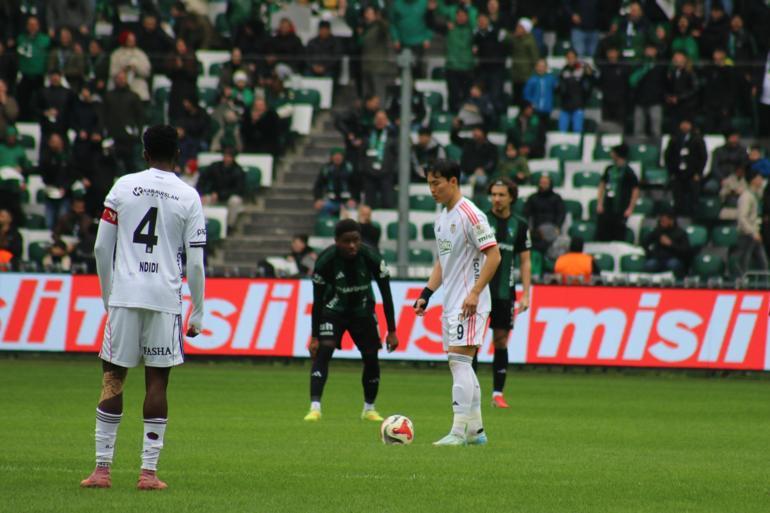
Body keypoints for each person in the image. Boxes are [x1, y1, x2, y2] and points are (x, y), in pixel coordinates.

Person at [80, 125, 206, 491]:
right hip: (165, 300)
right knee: (157, 382)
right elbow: (195, 264)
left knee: (113, 377)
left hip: (125, 295)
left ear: (145, 152)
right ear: (178, 154)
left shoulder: (123, 186)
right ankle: (148, 474)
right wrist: (198, 311)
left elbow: (102, 249)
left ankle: (102, 471)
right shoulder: (188, 195)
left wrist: (109, 295)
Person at [414, 159, 501, 446]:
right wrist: (427, 293)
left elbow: (494, 255)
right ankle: (476, 432)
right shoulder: (442, 218)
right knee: (461, 364)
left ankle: (457, 432)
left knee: (459, 362)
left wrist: (475, 292)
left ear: (453, 181)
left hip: (470, 302)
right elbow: (443, 261)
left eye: (436, 183)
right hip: (451, 303)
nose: (432, 189)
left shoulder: (471, 215)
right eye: (429, 184)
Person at [305, 219, 399, 422]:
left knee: (371, 356)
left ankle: (369, 409)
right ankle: (315, 408)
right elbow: (318, 301)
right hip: (333, 310)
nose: (352, 245)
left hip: (363, 311)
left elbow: (387, 294)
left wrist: (392, 330)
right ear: (336, 241)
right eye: (346, 241)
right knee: (324, 349)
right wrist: (314, 336)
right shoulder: (325, 261)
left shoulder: (371, 256)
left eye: (356, 240)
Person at [478, 178, 530, 408]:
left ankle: (497, 393)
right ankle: (472, 391)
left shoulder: (519, 224)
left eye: (501, 195)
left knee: (500, 340)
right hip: (478, 292)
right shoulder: (480, 220)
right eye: (494, 194)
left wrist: (526, 293)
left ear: (511, 197)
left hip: (504, 292)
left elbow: (525, 261)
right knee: (473, 342)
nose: (496, 199)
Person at [596, 144, 639, 242]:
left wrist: (630, 208)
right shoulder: (609, 169)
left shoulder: (628, 171)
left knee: (618, 233)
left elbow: (635, 190)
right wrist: (599, 203)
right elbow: (602, 185)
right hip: (608, 205)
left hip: (621, 207)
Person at [664, 118, 706, 217]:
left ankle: (693, 217)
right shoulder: (674, 138)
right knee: (678, 198)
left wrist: (698, 173)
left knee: (693, 198)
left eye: (687, 123)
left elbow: (703, 157)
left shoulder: (697, 139)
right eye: (683, 123)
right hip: (677, 174)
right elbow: (668, 156)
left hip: (692, 174)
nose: (685, 126)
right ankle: (677, 216)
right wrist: (671, 173)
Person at [197, 146, 246, 229]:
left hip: (229, 197)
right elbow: (202, 179)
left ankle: (229, 226)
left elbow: (238, 190)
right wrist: (204, 193)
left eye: (229, 156)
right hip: (213, 195)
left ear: (233, 158)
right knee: (201, 200)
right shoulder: (215, 166)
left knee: (235, 201)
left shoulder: (238, 170)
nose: (227, 159)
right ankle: (201, 225)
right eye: (225, 156)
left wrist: (219, 195)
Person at [734, 172, 768, 276]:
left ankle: (765, 284)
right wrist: (753, 232)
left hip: (754, 233)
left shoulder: (755, 195)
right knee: (744, 262)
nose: (761, 180)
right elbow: (742, 218)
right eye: (759, 178)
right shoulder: (746, 197)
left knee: (763, 263)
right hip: (746, 235)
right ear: (753, 180)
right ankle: (741, 284)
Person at [523, 174, 566, 252]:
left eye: (545, 183)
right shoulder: (532, 198)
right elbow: (525, 214)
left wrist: (558, 227)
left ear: (550, 184)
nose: (543, 185)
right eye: (541, 183)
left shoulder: (556, 198)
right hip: (536, 231)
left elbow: (561, 214)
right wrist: (529, 228)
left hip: (552, 229)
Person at [642, 209, 690, 277]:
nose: (661, 223)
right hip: (658, 258)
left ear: (671, 221)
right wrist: (650, 253)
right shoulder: (658, 231)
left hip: (673, 258)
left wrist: (671, 244)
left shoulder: (680, 233)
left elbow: (685, 250)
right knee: (649, 265)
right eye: (661, 221)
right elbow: (645, 242)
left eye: (664, 221)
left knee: (672, 264)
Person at [313, 148, 357, 216]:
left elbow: (356, 185)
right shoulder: (326, 169)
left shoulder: (349, 168)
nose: (337, 158)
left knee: (352, 210)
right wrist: (318, 199)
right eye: (335, 156)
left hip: (346, 200)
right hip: (331, 200)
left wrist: (353, 198)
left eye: (339, 156)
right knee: (323, 208)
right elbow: (319, 185)